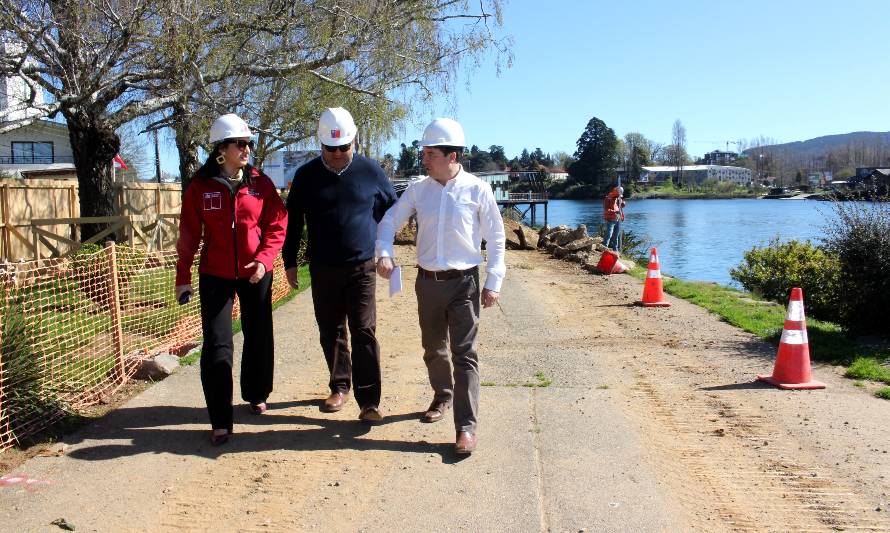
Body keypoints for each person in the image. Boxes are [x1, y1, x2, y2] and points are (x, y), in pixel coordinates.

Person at [375, 118, 506, 455]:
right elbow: (390, 220)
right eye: (424, 153)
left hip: (464, 283)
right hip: (428, 283)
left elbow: (495, 236)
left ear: (452, 156)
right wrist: (384, 252)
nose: (424, 159)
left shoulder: (478, 189)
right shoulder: (419, 189)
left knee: (465, 355)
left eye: (430, 153)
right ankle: (442, 396)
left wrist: (493, 281)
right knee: (434, 348)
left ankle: (466, 428)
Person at [175, 113, 288, 446]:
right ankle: (220, 419)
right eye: (240, 144)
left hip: (255, 272)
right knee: (217, 345)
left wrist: (265, 261)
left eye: (248, 143)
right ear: (221, 149)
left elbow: (277, 225)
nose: (247, 149)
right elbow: (189, 234)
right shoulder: (200, 186)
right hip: (215, 275)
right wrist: (183, 276)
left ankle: (256, 393)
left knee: (258, 335)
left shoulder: (260, 183)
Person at [282, 107, 397, 422]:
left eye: (342, 147)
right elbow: (293, 222)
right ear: (320, 144)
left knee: (364, 331)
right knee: (331, 331)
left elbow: (392, 212)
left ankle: (370, 401)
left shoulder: (370, 171)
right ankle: (340, 386)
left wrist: (385, 248)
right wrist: (289, 260)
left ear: (354, 141)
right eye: (329, 148)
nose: (336, 154)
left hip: (362, 267)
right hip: (322, 268)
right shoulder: (305, 176)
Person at [603, 185, 625, 251]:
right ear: (615, 192)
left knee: (616, 236)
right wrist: (615, 211)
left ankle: (615, 250)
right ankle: (604, 248)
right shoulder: (607, 199)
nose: (619, 197)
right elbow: (606, 210)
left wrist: (623, 204)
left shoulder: (617, 199)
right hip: (610, 219)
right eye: (618, 195)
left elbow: (619, 209)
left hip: (617, 219)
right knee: (609, 235)